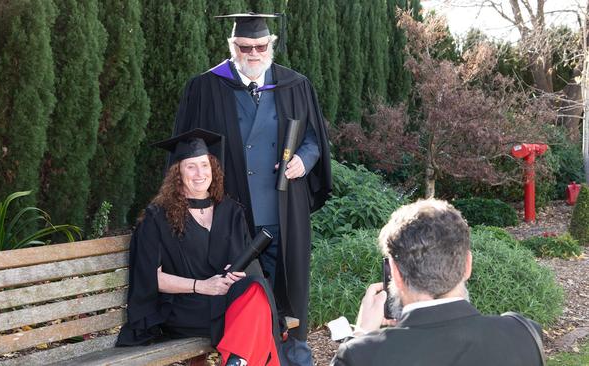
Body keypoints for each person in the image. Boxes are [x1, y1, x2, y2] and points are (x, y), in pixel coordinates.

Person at [172, 13, 332, 365]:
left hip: (283, 214)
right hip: (231, 219)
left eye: (261, 46)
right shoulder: (206, 87)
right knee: (248, 297)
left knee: (288, 295)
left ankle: (293, 358)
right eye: (246, 47)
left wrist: (303, 161)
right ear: (233, 47)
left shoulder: (294, 85)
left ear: (270, 45)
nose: (254, 53)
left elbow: (313, 140)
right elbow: (186, 153)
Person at [116, 128, 281, 366]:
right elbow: (150, 278)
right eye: (191, 166)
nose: (199, 173)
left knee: (256, 287)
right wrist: (202, 286)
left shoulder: (231, 211)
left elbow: (250, 266)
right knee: (258, 311)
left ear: (213, 169)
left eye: (204, 165)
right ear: (177, 173)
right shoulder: (157, 218)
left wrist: (239, 274)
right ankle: (238, 360)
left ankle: (237, 361)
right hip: (184, 307)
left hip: (227, 301)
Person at [330, 199, 545, 366]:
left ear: (395, 273)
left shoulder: (361, 355)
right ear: (467, 265)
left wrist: (360, 335)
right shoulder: (524, 334)